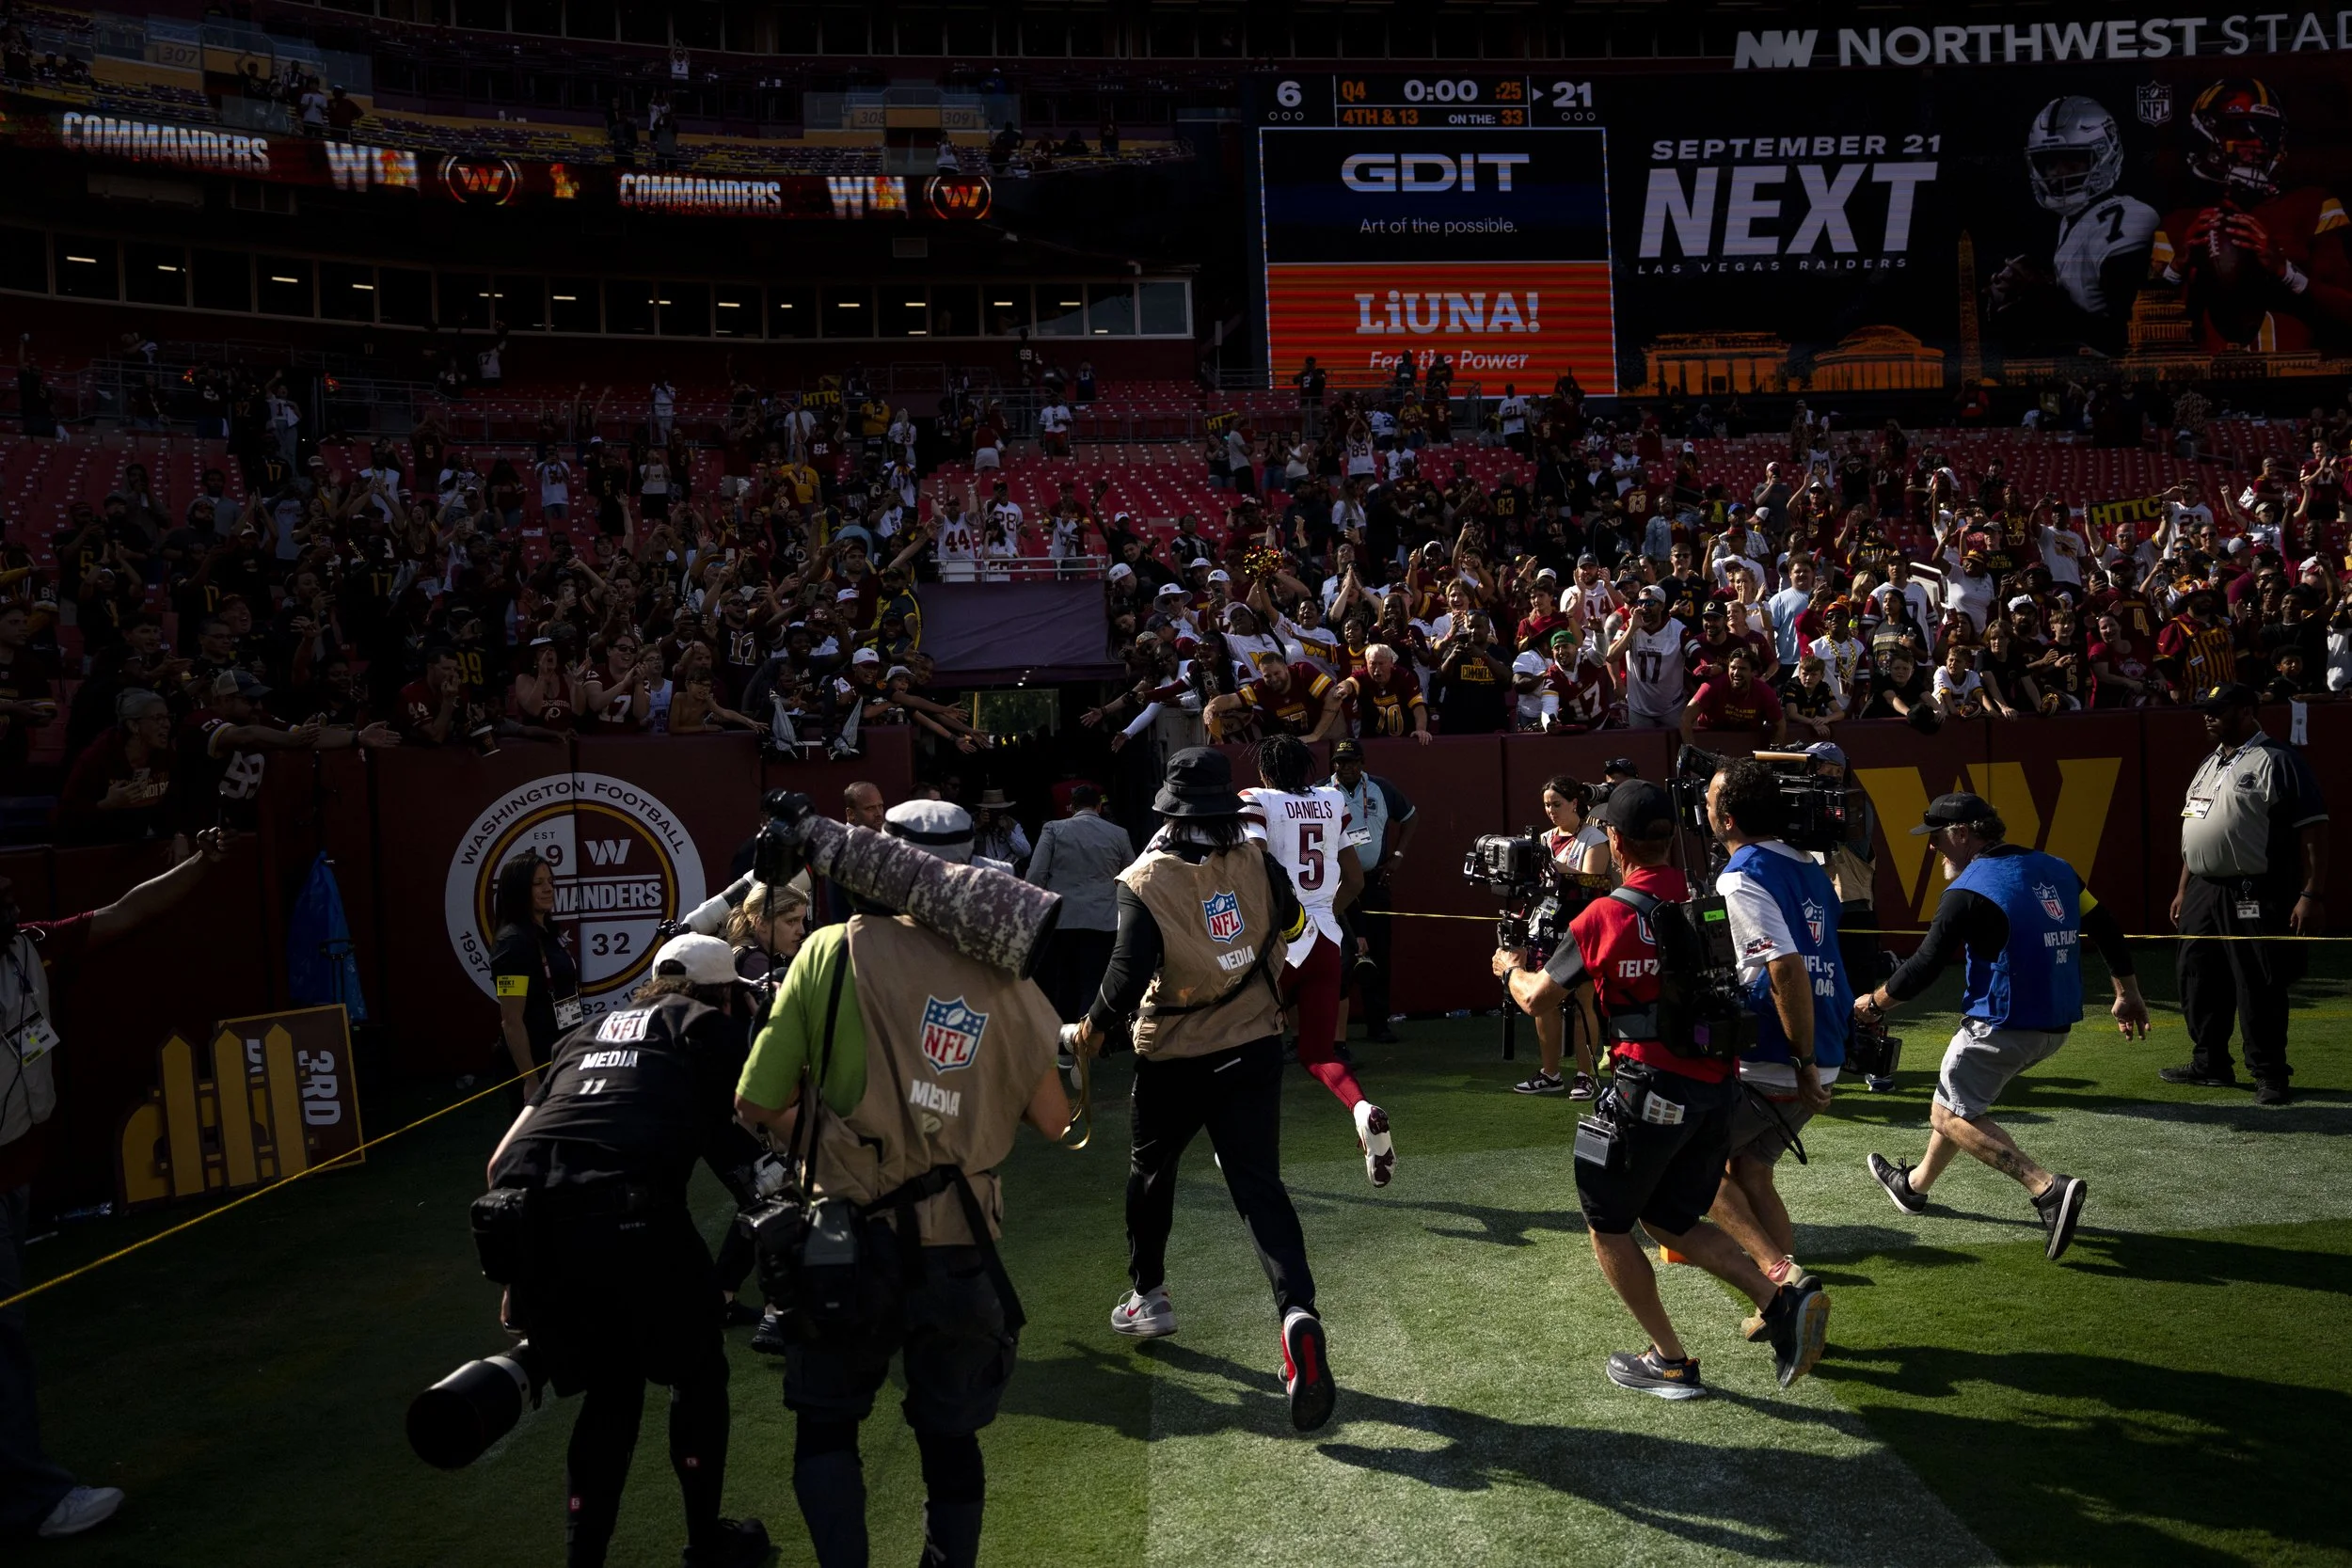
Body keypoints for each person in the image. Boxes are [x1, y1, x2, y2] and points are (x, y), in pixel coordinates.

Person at [734, 800, 1071, 1568]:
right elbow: (1054, 1117)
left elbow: (756, 1101)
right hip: (962, 1243)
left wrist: (840, 1143)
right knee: (949, 1435)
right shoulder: (1007, 973)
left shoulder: (828, 950)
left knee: (826, 1423)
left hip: (843, 1240)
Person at [1495, 782, 1829, 1398]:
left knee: (1607, 1222)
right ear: (1671, 837)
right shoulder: (1708, 897)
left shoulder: (1603, 917)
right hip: (1715, 1091)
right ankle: (1777, 1297)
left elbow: (1539, 996)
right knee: (1670, 1216)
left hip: (1645, 1093)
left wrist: (1510, 966)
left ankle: (1671, 1360)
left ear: (1615, 841)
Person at [483, 933, 771, 1568]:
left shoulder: (585, 1032)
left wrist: (519, 1272)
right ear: (724, 994)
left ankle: (582, 1559)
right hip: (631, 1214)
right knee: (698, 1371)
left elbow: (501, 1159)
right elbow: (757, 1123)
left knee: (611, 1387)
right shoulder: (707, 1027)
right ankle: (706, 1542)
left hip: (537, 1218)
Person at [1070, 747, 1336, 1431]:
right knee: (1260, 1187)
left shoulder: (1145, 878)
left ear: (1167, 809)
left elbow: (1126, 976)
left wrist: (1090, 1030)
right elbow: (1295, 929)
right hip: (1253, 1044)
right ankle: (1297, 1312)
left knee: (1151, 1170)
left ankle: (1149, 1293)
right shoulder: (1256, 858)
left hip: (1176, 1054)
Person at [2, 829, 229, 1541]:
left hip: (15, 1171)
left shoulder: (29, 946)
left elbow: (124, 911)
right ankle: (33, 1501)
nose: (11, 891)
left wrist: (200, 863)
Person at [1857, 793, 2150, 1260]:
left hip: (1999, 1024)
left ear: (1961, 834)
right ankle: (1913, 1187)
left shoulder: (1968, 889)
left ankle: (2045, 1187)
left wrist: (1872, 1004)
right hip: (2054, 1025)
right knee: (1957, 1100)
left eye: (1936, 838)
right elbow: (2106, 925)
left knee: (1948, 1115)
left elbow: (1925, 966)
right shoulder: (2056, 866)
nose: (1933, 850)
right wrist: (2127, 991)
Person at [1704, 760, 1846, 1301]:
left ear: (1728, 819)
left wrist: (1802, 1061)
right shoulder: (1808, 865)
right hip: (1821, 1050)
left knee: (1691, 1170)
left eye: (1712, 801)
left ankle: (1781, 1285)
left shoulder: (1742, 874)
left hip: (1776, 1055)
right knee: (1754, 1170)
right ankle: (1790, 1295)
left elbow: (1783, 968)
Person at [2162, 682, 2329, 1104]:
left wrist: (2311, 894)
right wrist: (2185, 888)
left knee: (2257, 979)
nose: (2209, 715)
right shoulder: (2209, 763)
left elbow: (2313, 832)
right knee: (2196, 975)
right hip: (2203, 888)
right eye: (2206, 708)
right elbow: (2195, 826)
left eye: (2219, 709)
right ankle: (2210, 1062)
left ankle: (2270, 1072)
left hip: (2253, 887)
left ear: (2248, 711)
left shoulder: (2280, 759)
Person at [1242, 736, 1393, 1187]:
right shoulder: (1330, 800)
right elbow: (1355, 875)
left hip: (1277, 942)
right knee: (1319, 1053)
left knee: (1247, 1045)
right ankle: (1362, 1108)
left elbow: (1252, 869)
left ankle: (1243, 1142)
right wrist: (1327, 909)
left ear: (1267, 771)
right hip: (1327, 938)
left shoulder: (1257, 799)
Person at [1513, 776, 1606, 1098]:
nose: (1550, 810)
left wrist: (1554, 868)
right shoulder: (1543, 838)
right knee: (1545, 1001)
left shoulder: (1595, 837)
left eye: (1557, 804)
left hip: (1582, 927)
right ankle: (1550, 1073)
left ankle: (1585, 1075)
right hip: (1547, 924)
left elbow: (1596, 880)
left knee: (1583, 1001)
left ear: (1574, 803)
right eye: (1546, 805)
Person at [1324, 739, 1415, 1045]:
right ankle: (1335, 1032)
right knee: (1339, 954)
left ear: (1362, 762)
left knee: (1378, 951)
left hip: (1374, 881)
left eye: (1350, 761)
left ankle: (1379, 1024)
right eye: (1339, 762)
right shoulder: (1322, 791)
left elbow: (1410, 817)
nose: (1345, 767)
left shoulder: (1380, 788)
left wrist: (1398, 856)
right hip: (1336, 884)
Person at [1024, 784, 1133, 1026]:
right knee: (1095, 982)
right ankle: (1091, 1036)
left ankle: (1064, 1040)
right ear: (1099, 806)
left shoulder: (1053, 829)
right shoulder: (1119, 834)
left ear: (1071, 807)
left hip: (1062, 920)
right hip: (1104, 922)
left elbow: (1035, 876)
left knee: (1064, 983)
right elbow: (1132, 877)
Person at [488, 850, 581, 1099]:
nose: (548, 889)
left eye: (550, 882)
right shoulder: (512, 944)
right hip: (537, 1064)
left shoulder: (549, 933)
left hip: (562, 1054)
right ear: (518, 890)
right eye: (538, 883)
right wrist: (529, 1080)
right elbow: (511, 1020)